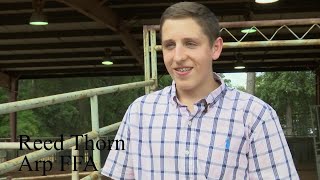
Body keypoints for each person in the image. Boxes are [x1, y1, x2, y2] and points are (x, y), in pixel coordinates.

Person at [102, 2, 299, 179]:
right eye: (170, 45)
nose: (178, 57)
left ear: (215, 48)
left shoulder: (255, 116)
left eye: (190, 43)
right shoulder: (139, 113)